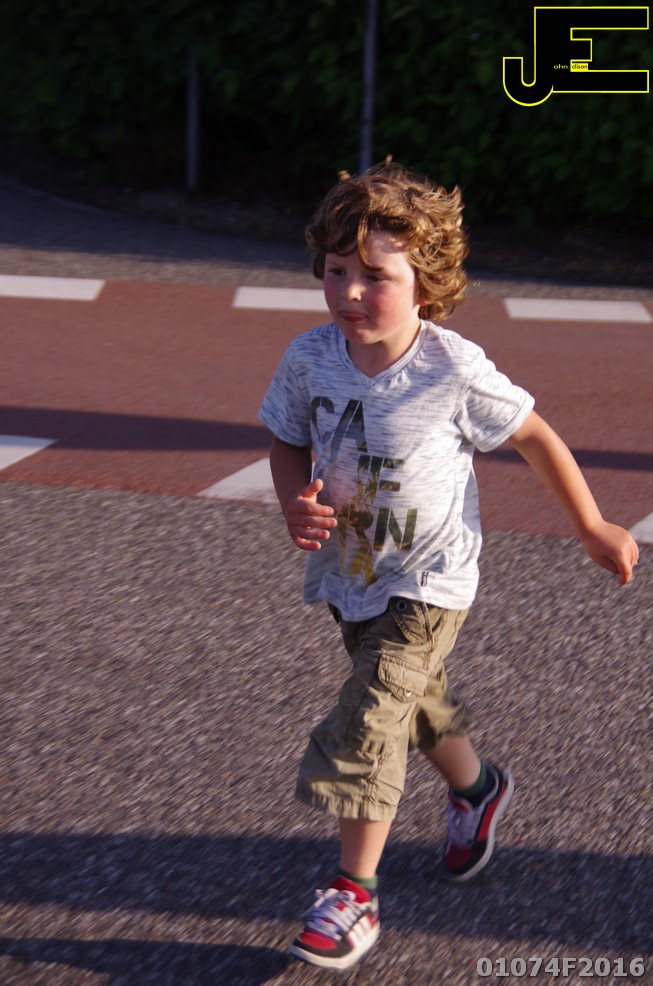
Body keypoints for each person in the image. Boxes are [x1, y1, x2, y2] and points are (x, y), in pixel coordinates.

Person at [258, 160, 638, 971]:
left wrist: (590, 523)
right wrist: (294, 501)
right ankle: (477, 788)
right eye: (335, 271)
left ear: (425, 286)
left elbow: (532, 435)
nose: (349, 292)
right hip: (352, 571)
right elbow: (285, 439)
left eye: (375, 276)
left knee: (370, 716)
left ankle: (353, 893)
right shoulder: (309, 357)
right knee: (413, 703)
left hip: (429, 580)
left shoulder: (450, 368)